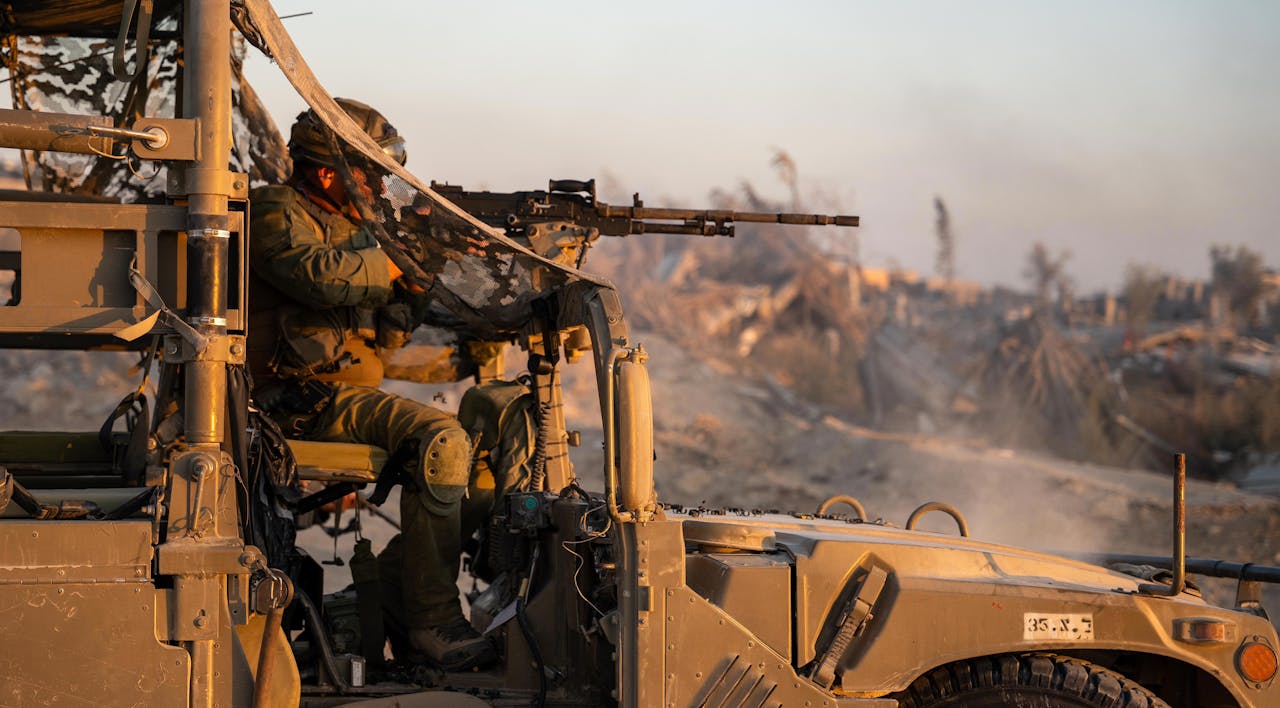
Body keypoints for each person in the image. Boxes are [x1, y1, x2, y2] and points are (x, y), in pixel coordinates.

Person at [247, 98, 495, 671]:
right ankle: (433, 620)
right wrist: (390, 260)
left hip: (346, 399)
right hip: (294, 404)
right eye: (370, 170)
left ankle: (390, 590)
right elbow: (316, 278)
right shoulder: (274, 210)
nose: (379, 184)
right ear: (328, 171)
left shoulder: (356, 231)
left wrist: (418, 277)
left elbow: (381, 346)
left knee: (477, 465)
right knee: (441, 440)